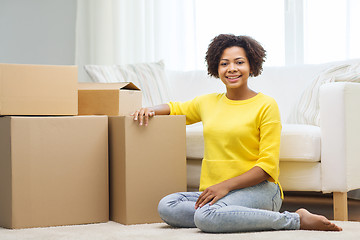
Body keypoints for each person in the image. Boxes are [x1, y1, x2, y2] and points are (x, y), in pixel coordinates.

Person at [132, 34, 342, 233]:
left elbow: (267, 168)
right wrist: (149, 109)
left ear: (251, 66)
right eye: (224, 63)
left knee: (205, 217)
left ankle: (295, 219)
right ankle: (228, 215)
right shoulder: (207, 102)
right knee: (167, 206)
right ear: (217, 68)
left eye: (239, 62)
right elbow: (174, 107)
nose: (232, 69)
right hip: (215, 193)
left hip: (260, 190)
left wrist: (224, 187)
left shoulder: (266, 105)